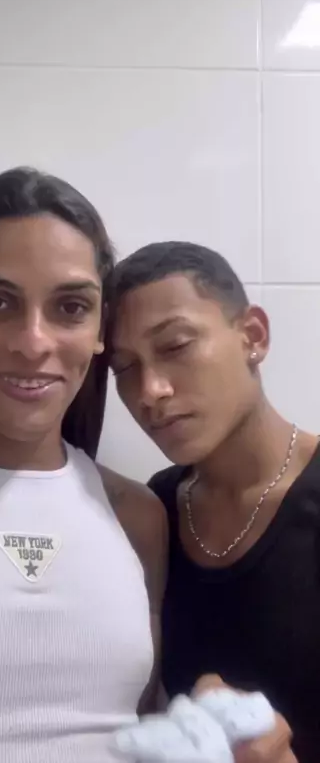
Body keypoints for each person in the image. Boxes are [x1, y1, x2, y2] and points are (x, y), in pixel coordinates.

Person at [0, 178, 292, 763]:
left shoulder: (137, 515)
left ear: (99, 331)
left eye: (71, 307)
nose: (33, 342)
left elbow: (145, 729)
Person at [109, 240, 319, 763]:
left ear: (253, 336)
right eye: (125, 367)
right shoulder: (153, 510)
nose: (150, 390)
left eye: (175, 346)